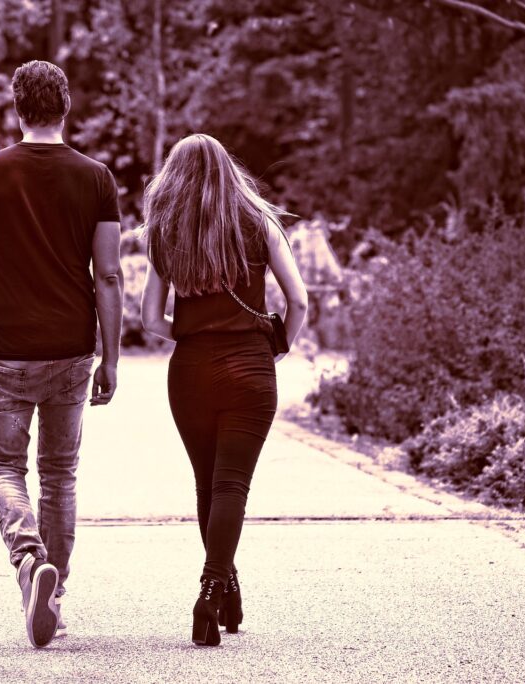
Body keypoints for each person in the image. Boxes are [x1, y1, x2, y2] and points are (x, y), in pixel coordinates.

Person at [0, 60, 123, 648]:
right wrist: (111, 357)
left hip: (8, 352)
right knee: (59, 474)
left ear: (17, 107)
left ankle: (29, 561)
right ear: (65, 105)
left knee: (2, 468)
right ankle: (55, 593)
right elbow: (109, 276)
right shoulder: (96, 178)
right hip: (72, 350)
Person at [140, 133, 308, 647]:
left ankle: (223, 592)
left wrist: (196, 332)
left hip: (190, 370)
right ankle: (214, 591)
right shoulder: (260, 223)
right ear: (228, 172)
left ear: (173, 179)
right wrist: (276, 347)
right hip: (250, 367)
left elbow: (151, 320)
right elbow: (299, 301)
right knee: (231, 485)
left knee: (206, 484)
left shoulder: (166, 233)